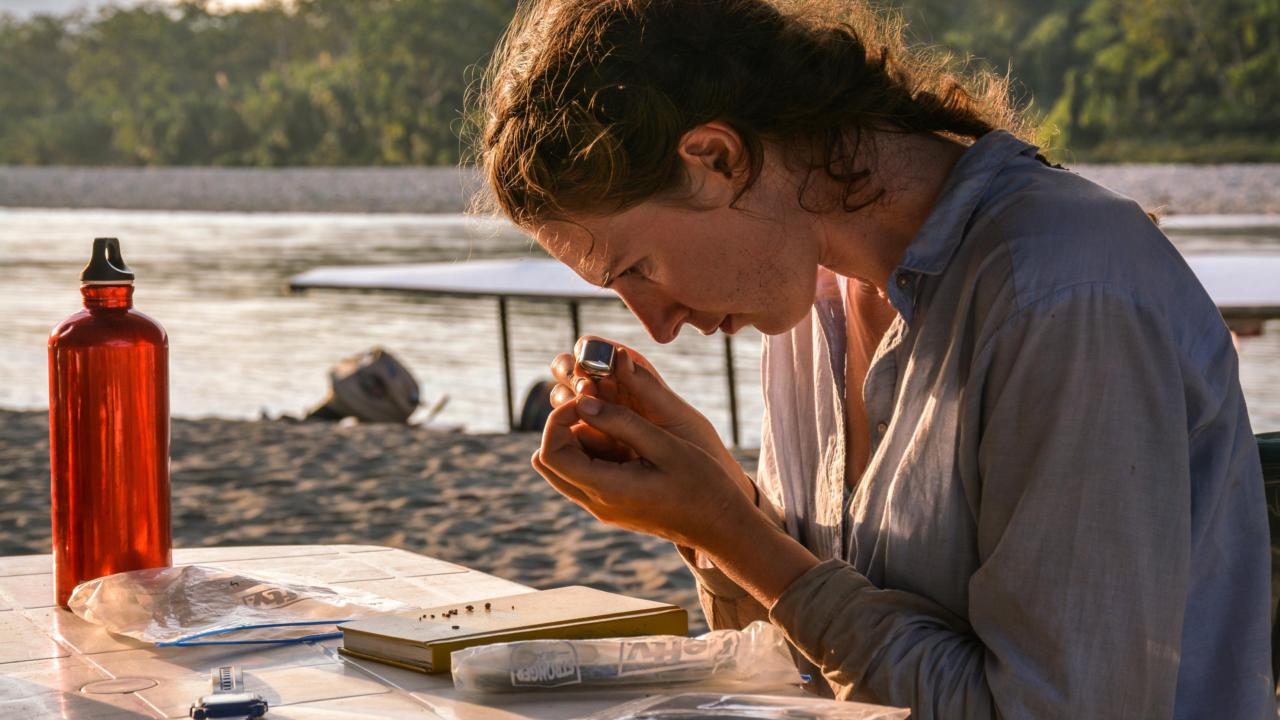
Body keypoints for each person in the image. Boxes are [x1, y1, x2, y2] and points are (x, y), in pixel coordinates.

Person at [469, 0, 1275, 716]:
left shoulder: (1062, 296)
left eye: (637, 268)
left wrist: (732, 530)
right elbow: (803, 675)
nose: (659, 322)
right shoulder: (804, 301)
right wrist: (710, 508)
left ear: (717, 158)